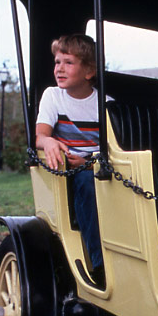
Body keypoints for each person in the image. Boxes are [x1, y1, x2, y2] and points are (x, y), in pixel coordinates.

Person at [36, 34, 108, 287]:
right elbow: (40, 136)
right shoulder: (53, 96)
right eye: (57, 62)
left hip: (97, 165)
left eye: (68, 62)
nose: (59, 69)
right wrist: (49, 142)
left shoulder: (105, 104)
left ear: (89, 71)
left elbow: (111, 149)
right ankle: (99, 265)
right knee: (87, 183)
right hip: (66, 169)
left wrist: (90, 161)